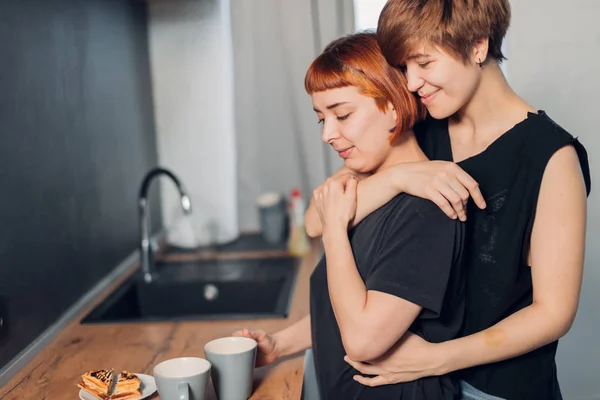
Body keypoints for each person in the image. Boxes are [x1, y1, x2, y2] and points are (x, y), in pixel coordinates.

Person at [304, 1, 591, 399]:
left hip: (497, 389)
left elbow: (554, 313)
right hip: (425, 385)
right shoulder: (424, 123)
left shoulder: (552, 157)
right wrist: (398, 178)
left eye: (423, 63)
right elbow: (317, 220)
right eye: (404, 67)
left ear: (477, 46)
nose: (411, 82)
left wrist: (438, 358)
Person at [235, 32, 467, 399]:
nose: (328, 134)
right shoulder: (365, 181)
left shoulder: (428, 209)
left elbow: (362, 340)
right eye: (321, 119)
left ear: (392, 106)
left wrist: (335, 232)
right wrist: (279, 345)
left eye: (342, 115)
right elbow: (316, 227)